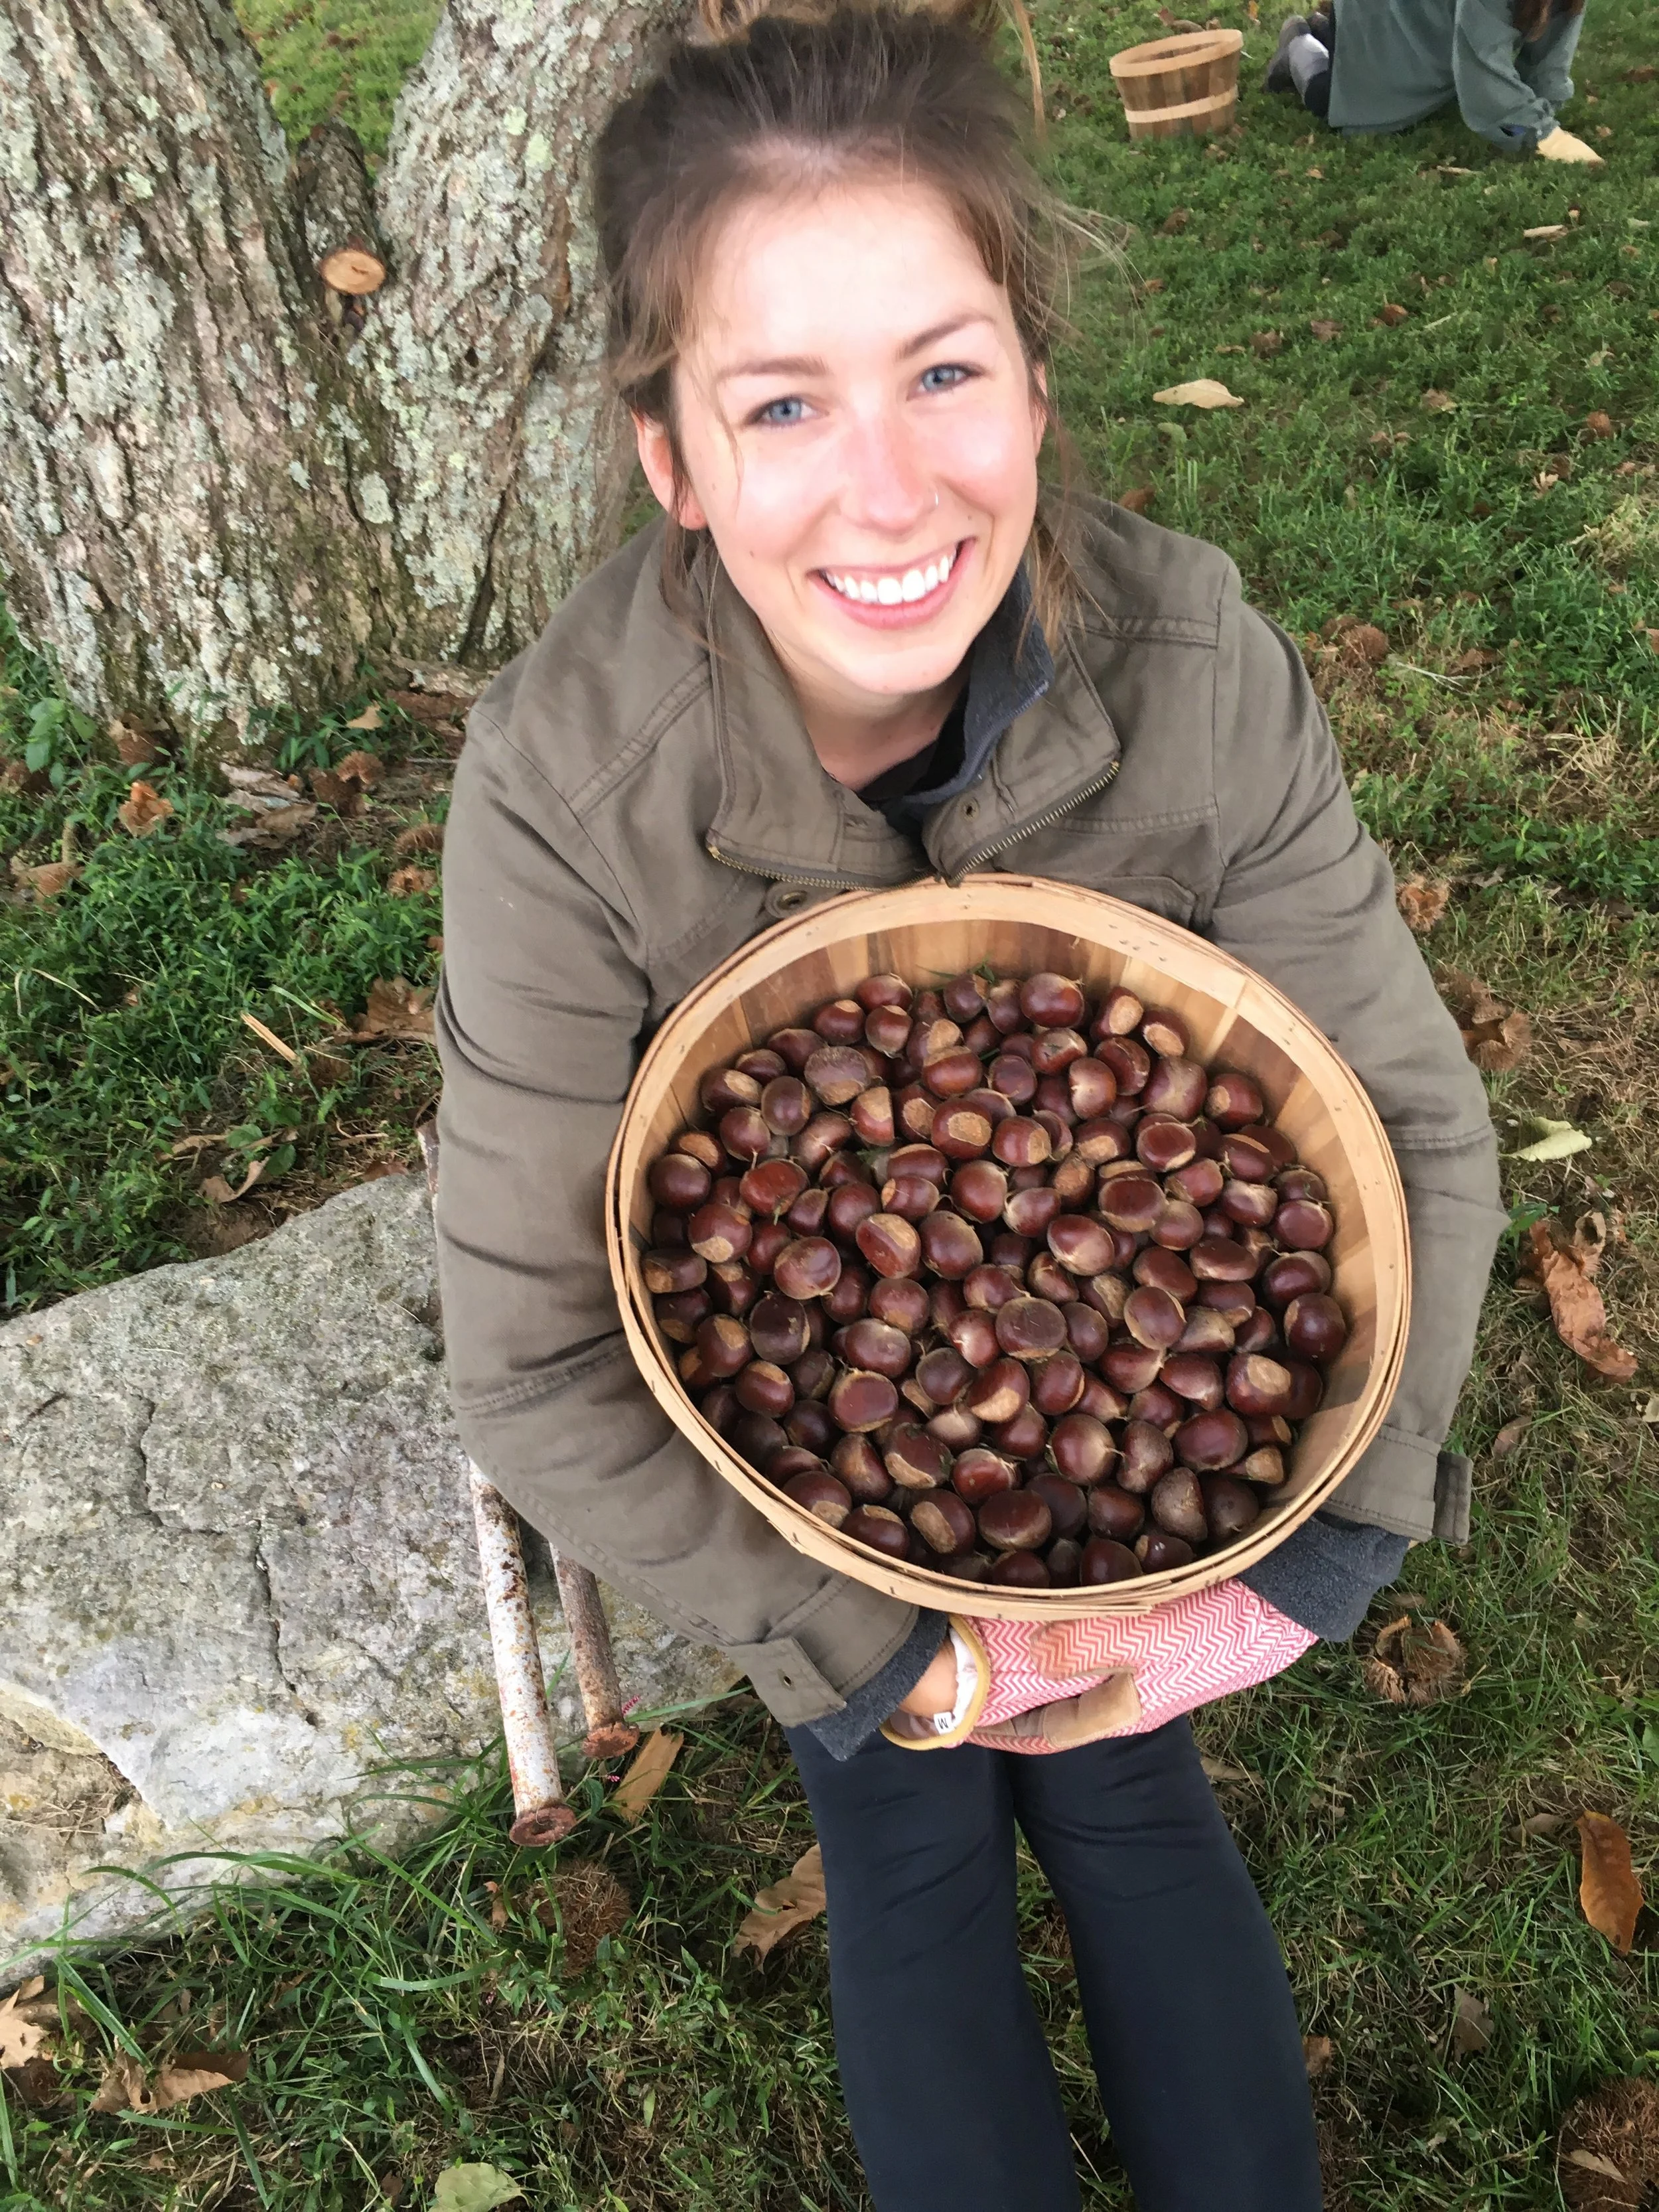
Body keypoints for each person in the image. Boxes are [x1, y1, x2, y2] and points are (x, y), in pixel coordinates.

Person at [433, 1, 1505, 2203]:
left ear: (1033, 378)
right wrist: (901, 1659)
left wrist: (1285, 1579)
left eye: (944, 369)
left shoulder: (1198, 669)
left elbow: (1397, 1130)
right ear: (673, 459)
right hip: (807, 1514)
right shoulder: (566, 782)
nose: (893, 484)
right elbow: (541, 1341)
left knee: (1128, 1775)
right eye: (783, 404)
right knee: (904, 1807)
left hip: (1112, 1522)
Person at [1263, 0, 1604, 161]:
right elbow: (1483, 69)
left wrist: (1546, 105)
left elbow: (1553, 49)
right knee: (1335, 100)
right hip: (1378, 14)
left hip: (1428, 20)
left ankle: (1327, 32)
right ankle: (1299, 40)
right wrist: (1543, 137)